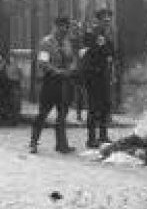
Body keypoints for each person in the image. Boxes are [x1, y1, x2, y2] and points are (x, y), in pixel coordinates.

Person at [30, 16, 77, 154]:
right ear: (55, 27)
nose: (64, 29)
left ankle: (62, 144)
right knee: (43, 113)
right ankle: (34, 142)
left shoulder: (67, 43)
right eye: (61, 26)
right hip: (51, 81)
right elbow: (43, 62)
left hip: (65, 82)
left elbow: (71, 58)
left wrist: (72, 68)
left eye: (66, 27)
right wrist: (57, 71)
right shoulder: (46, 43)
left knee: (62, 114)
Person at [79, 8, 116, 148]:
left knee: (106, 105)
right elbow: (95, 51)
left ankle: (103, 135)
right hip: (93, 75)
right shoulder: (92, 33)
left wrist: (107, 52)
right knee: (94, 107)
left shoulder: (108, 34)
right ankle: (91, 138)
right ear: (98, 20)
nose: (107, 20)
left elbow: (111, 52)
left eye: (108, 18)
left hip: (105, 74)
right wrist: (104, 49)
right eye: (104, 18)